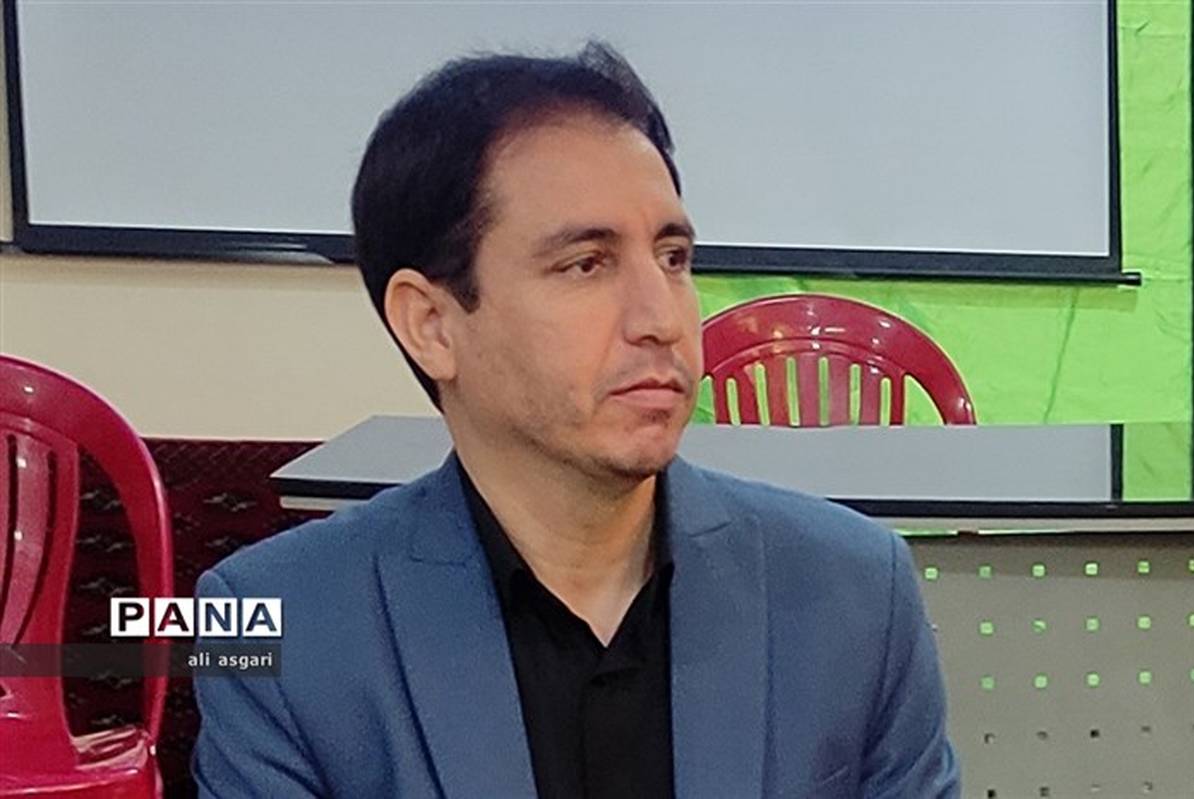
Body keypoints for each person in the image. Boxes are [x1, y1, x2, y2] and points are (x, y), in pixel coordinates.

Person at [192, 42, 960, 798]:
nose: (661, 318)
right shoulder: (268, 622)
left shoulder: (858, 591)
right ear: (431, 324)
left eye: (673, 258)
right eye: (586, 264)